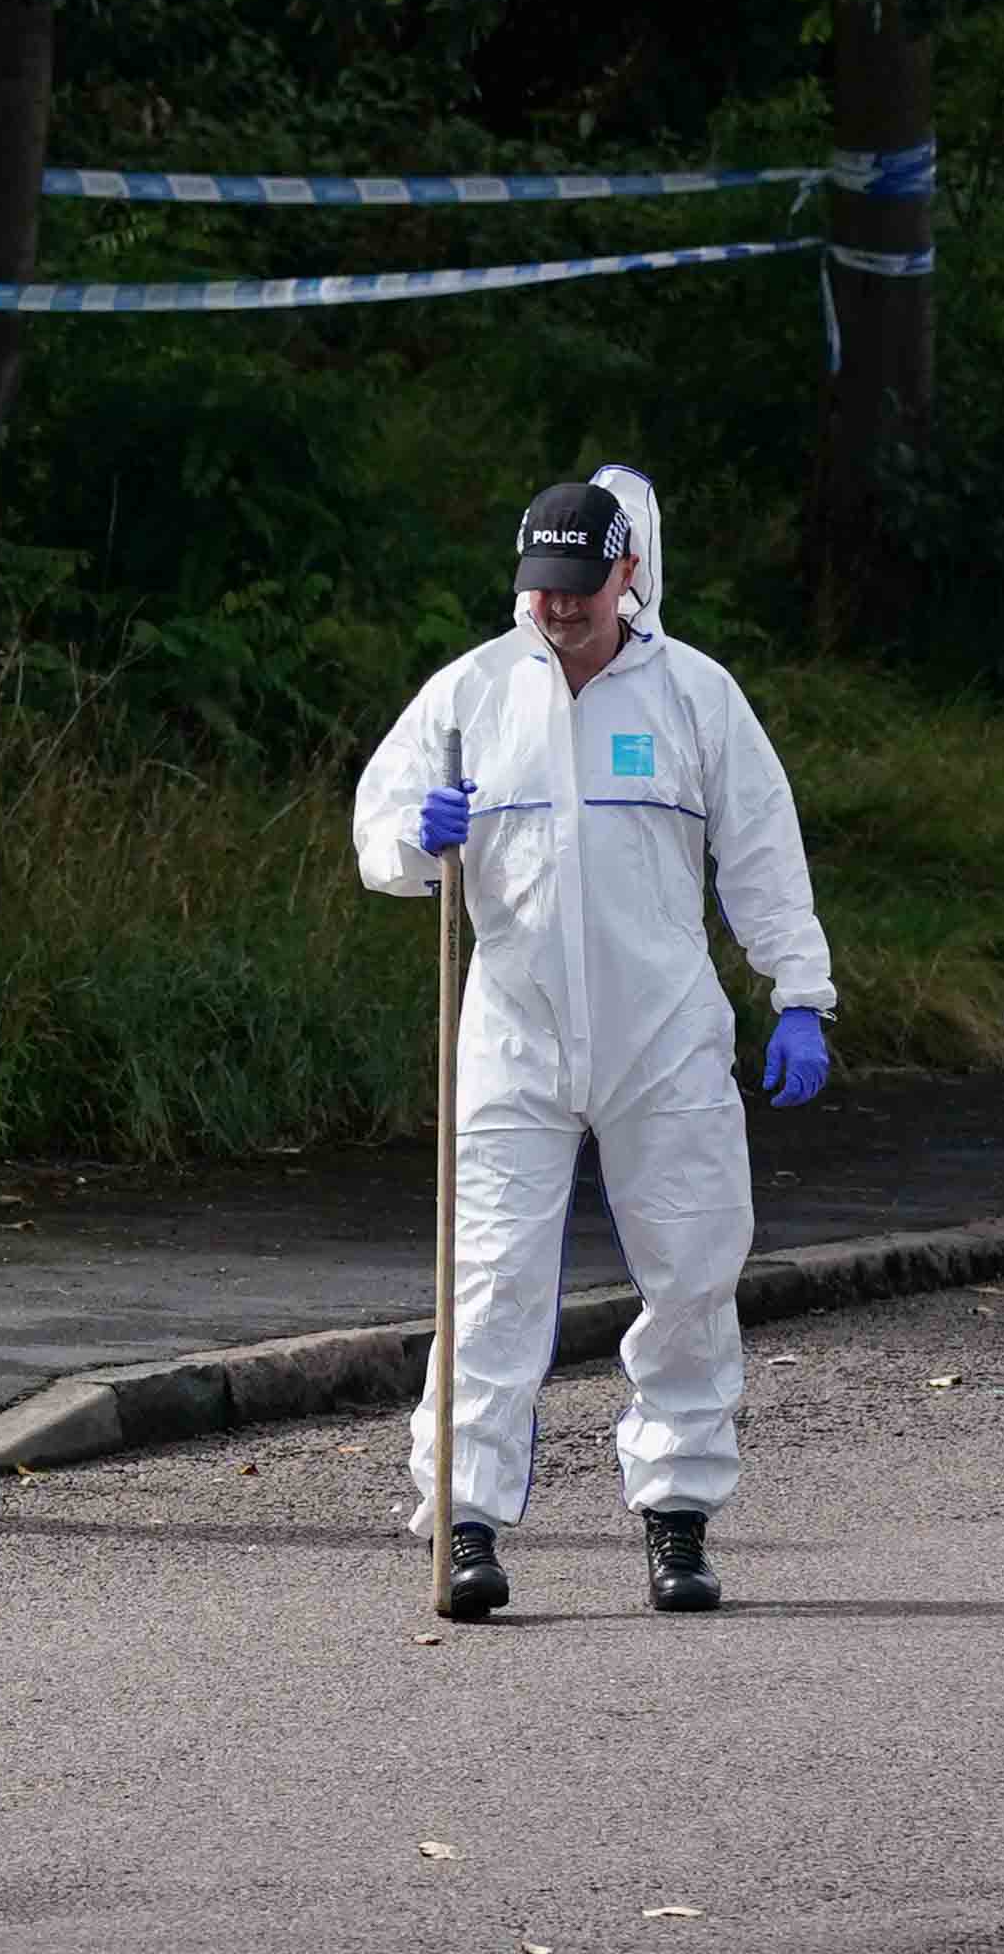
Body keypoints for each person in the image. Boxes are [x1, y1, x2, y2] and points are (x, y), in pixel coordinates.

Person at [353, 465, 831, 1619]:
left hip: (663, 1037)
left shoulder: (695, 696)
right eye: (541, 585)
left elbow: (761, 849)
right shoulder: (473, 692)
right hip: (513, 1038)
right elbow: (378, 826)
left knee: (693, 1271)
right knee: (490, 1284)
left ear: (629, 574)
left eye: (580, 585)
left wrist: (800, 988)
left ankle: (677, 1514)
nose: (558, 607)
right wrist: (419, 842)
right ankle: (464, 1522)